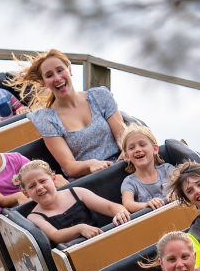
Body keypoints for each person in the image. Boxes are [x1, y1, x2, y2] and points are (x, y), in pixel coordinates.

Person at [11, 49, 126, 177]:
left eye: (60, 70)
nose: (57, 78)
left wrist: (126, 152)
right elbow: (70, 166)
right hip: (89, 179)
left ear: (69, 70)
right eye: (49, 75)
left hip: (121, 164)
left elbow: (124, 138)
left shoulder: (100, 96)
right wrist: (90, 164)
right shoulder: (46, 119)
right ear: (44, 83)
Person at [20, 160, 130, 244]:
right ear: (25, 193)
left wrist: (120, 213)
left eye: (43, 181)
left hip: (101, 240)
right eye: (32, 186)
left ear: (54, 179)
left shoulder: (76, 193)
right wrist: (80, 229)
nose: (39, 187)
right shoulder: (34, 217)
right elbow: (55, 236)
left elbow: (110, 207)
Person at [119, 124, 176, 213]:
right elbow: (128, 203)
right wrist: (146, 205)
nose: (137, 150)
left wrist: (176, 192)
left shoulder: (167, 169)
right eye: (131, 148)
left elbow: (184, 183)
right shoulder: (129, 182)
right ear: (127, 156)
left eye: (142, 145)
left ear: (155, 149)